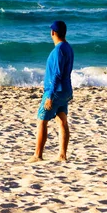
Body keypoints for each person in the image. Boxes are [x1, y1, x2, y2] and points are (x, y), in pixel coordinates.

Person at [28, 21, 74, 163]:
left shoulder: (58, 50)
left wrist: (49, 95)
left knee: (42, 121)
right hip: (65, 90)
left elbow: (57, 74)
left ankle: (38, 155)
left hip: (56, 91)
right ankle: (62, 155)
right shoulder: (68, 48)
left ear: (53, 32)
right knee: (62, 121)